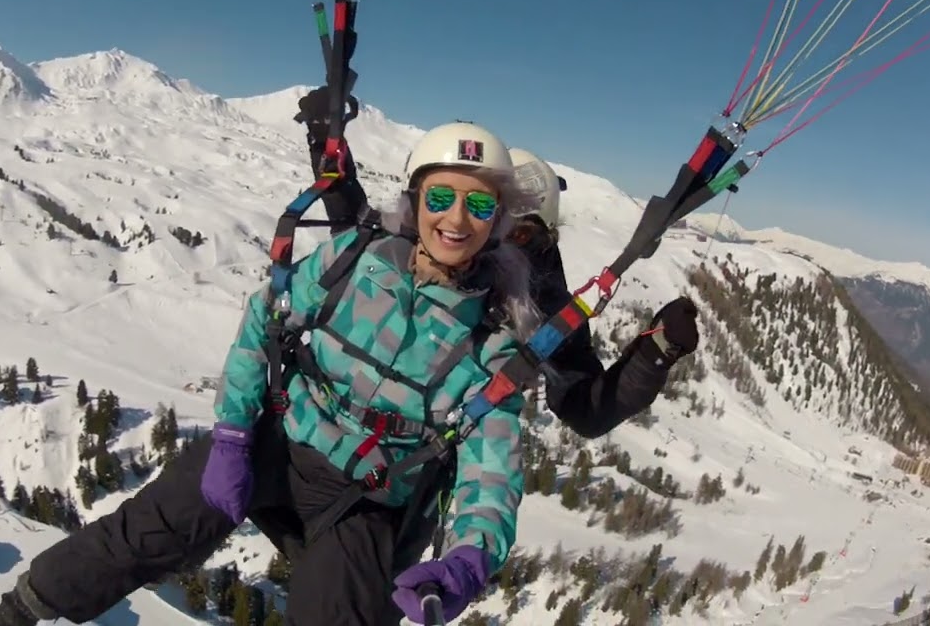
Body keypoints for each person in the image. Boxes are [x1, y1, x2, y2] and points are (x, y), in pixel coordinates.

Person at [0, 121, 548, 626]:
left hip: (364, 493)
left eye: (478, 205)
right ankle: (17, 615)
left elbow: (491, 470)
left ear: (497, 221)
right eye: (441, 196)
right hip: (278, 439)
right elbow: (265, 320)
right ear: (416, 198)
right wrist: (231, 432)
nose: (455, 218)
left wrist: (473, 555)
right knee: (149, 528)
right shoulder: (353, 260)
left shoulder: (490, 342)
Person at [294, 89, 700, 592]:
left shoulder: (544, 299)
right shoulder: (437, 249)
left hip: (404, 487)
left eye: (516, 231)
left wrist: (653, 354)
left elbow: (583, 405)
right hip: (332, 451)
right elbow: (359, 241)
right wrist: (325, 142)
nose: (478, 233)